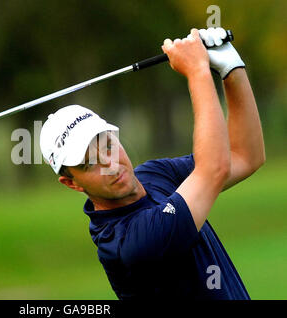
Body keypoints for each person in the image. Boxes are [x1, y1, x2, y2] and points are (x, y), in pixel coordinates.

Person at [39, 28, 265, 300]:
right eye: (90, 164)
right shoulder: (129, 244)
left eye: (109, 145)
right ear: (71, 182)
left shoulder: (153, 175)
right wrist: (198, 72)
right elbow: (213, 170)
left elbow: (245, 155)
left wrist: (231, 68)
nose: (111, 164)